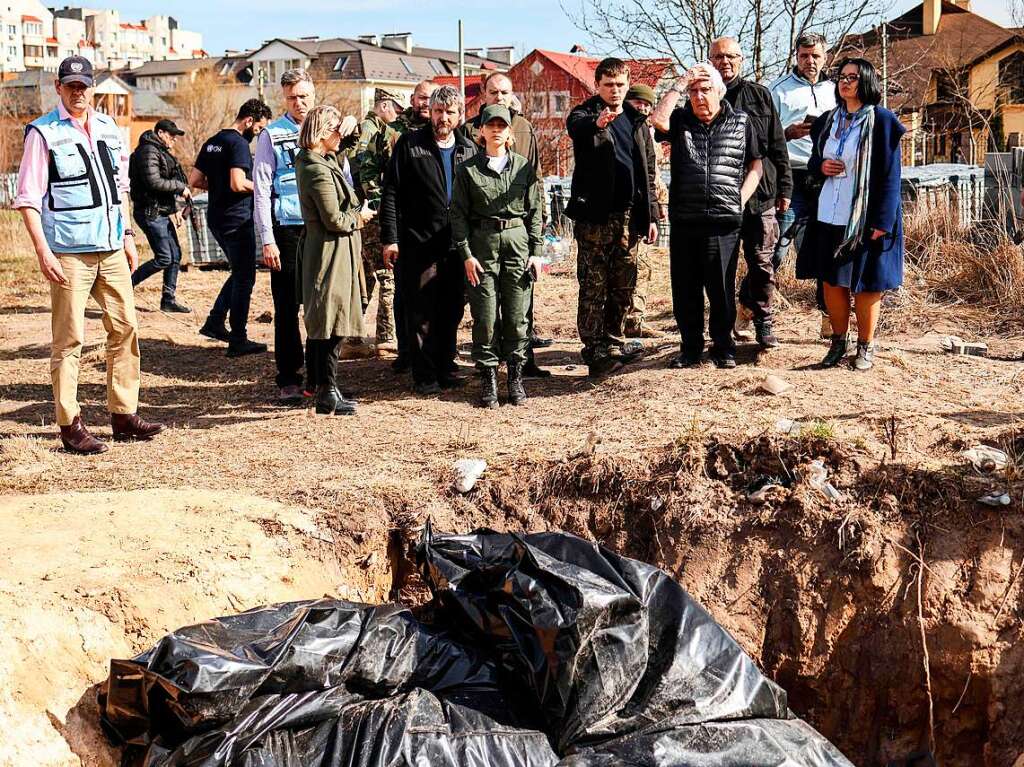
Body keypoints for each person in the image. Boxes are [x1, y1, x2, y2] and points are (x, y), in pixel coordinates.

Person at [15, 55, 164, 454]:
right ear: (59, 88)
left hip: (112, 247)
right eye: (71, 86)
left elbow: (121, 189)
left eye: (84, 85)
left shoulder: (109, 127)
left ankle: (123, 414)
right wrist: (42, 251)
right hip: (67, 253)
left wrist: (129, 235)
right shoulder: (41, 134)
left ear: (92, 86)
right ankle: (70, 424)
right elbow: (28, 199)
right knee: (70, 340)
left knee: (126, 329)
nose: (78, 92)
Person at [651, 63, 763, 369]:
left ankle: (723, 347)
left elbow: (756, 165)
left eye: (705, 89)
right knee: (686, 289)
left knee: (721, 290)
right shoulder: (680, 120)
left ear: (719, 91)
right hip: (686, 219)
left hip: (724, 222)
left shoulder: (741, 122)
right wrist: (678, 84)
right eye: (693, 91)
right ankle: (690, 348)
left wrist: (740, 198)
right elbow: (657, 120)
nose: (699, 96)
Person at [797, 58, 905, 372]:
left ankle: (866, 347)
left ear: (867, 81)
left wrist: (882, 223)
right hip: (830, 212)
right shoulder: (828, 121)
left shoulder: (883, 122)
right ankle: (837, 344)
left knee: (867, 284)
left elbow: (890, 175)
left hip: (865, 218)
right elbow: (813, 164)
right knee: (832, 281)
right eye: (841, 77)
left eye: (853, 77)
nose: (845, 82)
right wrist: (821, 167)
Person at [380, 85, 479, 396]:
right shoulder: (410, 145)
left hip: (455, 245)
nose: (443, 118)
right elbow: (391, 193)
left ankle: (446, 367)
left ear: (460, 116)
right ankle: (424, 375)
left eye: (450, 113)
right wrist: (390, 238)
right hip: (418, 243)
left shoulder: (468, 149)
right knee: (421, 310)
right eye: (439, 111)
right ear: (430, 112)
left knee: (451, 309)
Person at [566, 57, 659, 377]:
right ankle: (593, 348)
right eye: (609, 85)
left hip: (629, 217)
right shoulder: (585, 114)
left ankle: (614, 341)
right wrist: (598, 124)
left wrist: (652, 215)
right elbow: (575, 128)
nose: (615, 90)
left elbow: (647, 170)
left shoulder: (636, 119)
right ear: (598, 85)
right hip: (595, 218)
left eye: (620, 85)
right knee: (594, 284)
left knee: (624, 284)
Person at [451, 104, 544, 408]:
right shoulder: (467, 170)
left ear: (509, 132)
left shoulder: (522, 167)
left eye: (501, 125)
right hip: (482, 245)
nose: (495, 130)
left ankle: (515, 377)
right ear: (480, 131)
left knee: (518, 315)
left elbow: (535, 211)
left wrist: (536, 252)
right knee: (486, 316)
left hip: (517, 243)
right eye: (490, 125)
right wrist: (466, 253)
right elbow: (459, 216)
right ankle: (489, 377)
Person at [461, 71, 551, 378]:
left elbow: (535, 177)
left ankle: (522, 364)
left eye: (505, 92)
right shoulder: (469, 130)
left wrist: (539, 229)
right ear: (484, 94)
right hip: (482, 230)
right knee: (485, 307)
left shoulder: (524, 128)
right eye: (494, 92)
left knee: (519, 303)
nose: (499, 97)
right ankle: (487, 367)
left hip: (517, 230)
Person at [710, 36, 793, 349]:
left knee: (762, 263)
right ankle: (723, 326)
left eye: (731, 56)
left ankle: (762, 318)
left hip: (761, 197)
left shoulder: (760, 95)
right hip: (719, 198)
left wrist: (785, 186)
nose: (725, 62)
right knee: (721, 269)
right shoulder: (704, 97)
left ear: (741, 60)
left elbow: (777, 145)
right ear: (710, 60)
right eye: (718, 57)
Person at [294, 105, 370, 415]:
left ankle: (323, 384)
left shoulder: (321, 160)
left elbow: (346, 149)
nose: (341, 136)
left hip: (335, 250)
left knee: (330, 319)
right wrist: (360, 217)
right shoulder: (315, 169)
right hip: (329, 251)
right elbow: (334, 219)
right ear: (325, 133)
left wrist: (352, 126)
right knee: (331, 322)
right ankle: (326, 391)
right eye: (336, 130)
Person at [252, 68, 316, 404]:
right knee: (288, 308)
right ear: (284, 99)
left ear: (313, 95)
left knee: (320, 306)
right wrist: (267, 238)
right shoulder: (271, 135)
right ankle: (289, 376)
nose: (299, 102)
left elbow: (345, 178)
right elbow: (261, 189)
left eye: (304, 96)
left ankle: (320, 375)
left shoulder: (326, 130)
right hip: (287, 230)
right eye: (292, 97)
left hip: (322, 229)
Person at [191, 99, 273, 358]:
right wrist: (264, 189)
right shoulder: (238, 143)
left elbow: (194, 180)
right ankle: (238, 339)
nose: (258, 134)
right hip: (237, 220)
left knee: (239, 272)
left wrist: (218, 188)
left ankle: (215, 321)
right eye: (259, 128)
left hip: (216, 217)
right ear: (249, 120)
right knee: (245, 278)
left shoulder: (213, 141)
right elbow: (238, 184)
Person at [770, 33, 837, 337]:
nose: (810, 61)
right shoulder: (778, 91)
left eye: (816, 56)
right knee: (775, 247)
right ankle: (752, 308)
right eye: (804, 55)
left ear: (826, 57)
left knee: (827, 249)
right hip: (791, 177)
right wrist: (787, 133)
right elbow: (763, 138)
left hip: (827, 178)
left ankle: (829, 317)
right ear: (795, 56)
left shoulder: (837, 91)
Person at [386, 79, 439, 375]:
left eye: (430, 99)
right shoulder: (395, 131)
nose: (425, 103)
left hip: (432, 228)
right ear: (412, 99)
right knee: (404, 295)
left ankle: (432, 354)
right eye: (421, 97)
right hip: (406, 225)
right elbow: (384, 177)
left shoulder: (447, 133)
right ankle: (406, 350)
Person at [128, 118, 192, 313]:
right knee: (165, 257)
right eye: (171, 135)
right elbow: (154, 183)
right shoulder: (148, 151)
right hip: (150, 213)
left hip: (160, 211)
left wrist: (174, 210)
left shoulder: (158, 151)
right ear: (160, 133)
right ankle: (124, 288)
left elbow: (161, 187)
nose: (174, 139)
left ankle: (168, 300)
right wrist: (180, 188)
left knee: (175, 255)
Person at [355, 88, 402, 348]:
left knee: (366, 280)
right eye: (395, 107)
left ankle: (350, 337)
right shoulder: (370, 131)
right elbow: (365, 173)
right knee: (387, 277)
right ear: (384, 105)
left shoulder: (372, 129)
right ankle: (385, 338)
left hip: (368, 214)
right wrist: (380, 205)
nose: (397, 115)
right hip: (372, 216)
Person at [622, 84, 668, 339]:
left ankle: (636, 318)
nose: (643, 107)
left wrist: (658, 204)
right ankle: (626, 320)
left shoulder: (649, 131)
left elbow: (655, 175)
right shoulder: (626, 128)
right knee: (632, 266)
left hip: (650, 207)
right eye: (638, 102)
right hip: (631, 210)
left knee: (645, 267)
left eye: (647, 104)